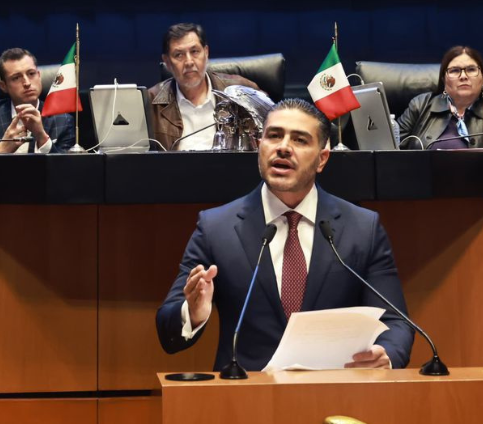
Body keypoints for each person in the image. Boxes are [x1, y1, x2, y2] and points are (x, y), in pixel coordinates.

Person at [156, 99, 415, 372]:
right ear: (259, 146)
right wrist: (192, 313)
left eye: (300, 140)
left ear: (322, 159)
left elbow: (396, 322)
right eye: (274, 136)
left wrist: (386, 354)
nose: (283, 147)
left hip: (335, 388)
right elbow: (168, 331)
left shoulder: (362, 228)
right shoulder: (216, 228)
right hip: (246, 392)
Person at [147, 23, 260, 151]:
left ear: (206, 52)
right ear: (167, 62)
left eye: (194, 51)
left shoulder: (241, 92)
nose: (189, 62)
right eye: (179, 55)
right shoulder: (150, 102)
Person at [396, 46, 483, 150]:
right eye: (455, 71)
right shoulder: (420, 105)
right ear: (444, 80)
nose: (463, 76)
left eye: (471, 69)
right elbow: (391, 150)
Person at [0, 48, 75, 154]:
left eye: (31, 74)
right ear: (4, 86)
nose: (27, 83)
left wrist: (42, 138)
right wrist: (1, 150)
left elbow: (65, 167)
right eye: (16, 78)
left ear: (39, 75)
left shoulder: (63, 120)